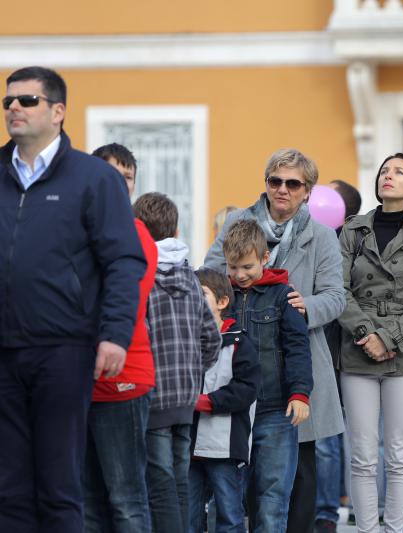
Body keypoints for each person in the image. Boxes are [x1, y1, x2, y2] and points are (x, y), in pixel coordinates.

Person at [0, 66, 146, 532]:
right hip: (4, 352)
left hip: (64, 349)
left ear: (57, 111)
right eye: (8, 102)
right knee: (8, 487)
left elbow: (124, 261)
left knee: (62, 485)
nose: (14, 109)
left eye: (26, 100)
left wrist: (114, 335)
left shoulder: (93, 179)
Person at [205, 148, 346, 533]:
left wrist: (305, 305)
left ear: (307, 191)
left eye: (292, 183)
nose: (282, 189)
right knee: (233, 481)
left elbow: (336, 296)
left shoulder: (320, 236)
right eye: (275, 181)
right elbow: (211, 277)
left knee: (294, 478)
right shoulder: (238, 221)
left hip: (295, 367)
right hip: (237, 361)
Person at [337, 152, 403, 533]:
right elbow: (339, 289)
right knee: (363, 455)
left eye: (398, 172)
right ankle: (367, 530)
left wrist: (388, 338)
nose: (388, 176)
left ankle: (394, 529)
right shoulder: (353, 230)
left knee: (400, 454)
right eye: (384, 170)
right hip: (357, 349)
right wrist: (367, 334)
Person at [134, 192, 222, 533]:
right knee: (179, 479)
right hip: (186, 396)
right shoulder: (190, 276)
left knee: (158, 481)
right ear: (175, 229)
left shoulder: (140, 273)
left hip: (151, 393)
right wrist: (194, 371)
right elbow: (210, 338)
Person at [83, 143, 158, 533]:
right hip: (77, 380)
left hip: (122, 378)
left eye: (126, 177)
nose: (118, 183)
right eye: (110, 174)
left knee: (126, 498)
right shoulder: (74, 229)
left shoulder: (136, 235)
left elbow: (125, 296)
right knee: (87, 500)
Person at [223, 218, 313, 532]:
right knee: (228, 498)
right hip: (231, 412)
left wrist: (300, 393)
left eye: (247, 266)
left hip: (275, 409)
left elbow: (297, 347)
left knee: (273, 496)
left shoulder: (282, 296)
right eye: (232, 268)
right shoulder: (223, 297)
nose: (239, 275)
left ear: (264, 258)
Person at [188, 268, 259, 533]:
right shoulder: (186, 339)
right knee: (188, 517)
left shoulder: (239, 343)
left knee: (229, 516)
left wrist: (208, 402)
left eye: (201, 293)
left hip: (226, 448)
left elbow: (246, 389)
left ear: (222, 302)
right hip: (190, 446)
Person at [316, 179, 362, 532]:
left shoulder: (350, 247)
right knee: (326, 439)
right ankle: (325, 511)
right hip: (324, 351)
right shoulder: (315, 240)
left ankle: (332, 511)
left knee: (340, 439)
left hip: (346, 353)